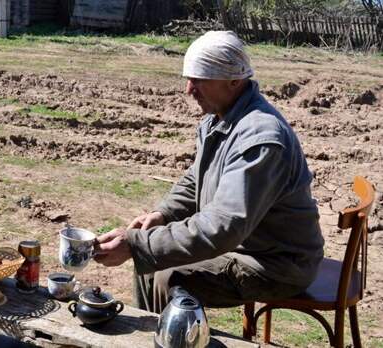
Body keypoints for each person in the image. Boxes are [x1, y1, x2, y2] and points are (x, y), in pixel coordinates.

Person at [93, 31, 324, 313]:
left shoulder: (261, 139)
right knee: (152, 264)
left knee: (164, 276)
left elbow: (223, 227)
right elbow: (196, 178)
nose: (189, 89)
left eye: (199, 79)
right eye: (189, 79)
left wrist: (137, 245)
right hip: (250, 247)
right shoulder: (220, 119)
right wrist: (165, 213)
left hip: (278, 264)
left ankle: (173, 339)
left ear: (234, 81)